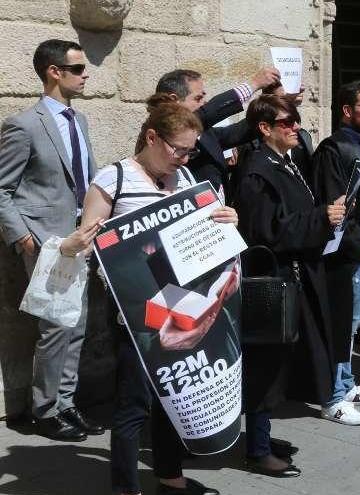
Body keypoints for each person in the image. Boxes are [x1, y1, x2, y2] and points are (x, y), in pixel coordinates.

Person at [56, 95, 238, 495]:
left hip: (188, 305)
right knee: (134, 405)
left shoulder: (187, 181)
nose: (185, 160)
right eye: (179, 150)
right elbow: (89, 243)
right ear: (152, 137)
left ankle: (169, 477)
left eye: (191, 152)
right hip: (138, 316)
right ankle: (125, 487)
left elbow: (208, 236)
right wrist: (72, 245)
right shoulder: (114, 179)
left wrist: (228, 219)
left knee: (175, 398)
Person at [0, 39, 103, 441]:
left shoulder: (80, 122)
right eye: (77, 69)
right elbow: (3, 189)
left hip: (83, 236)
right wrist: (24, 238)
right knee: (55, 326)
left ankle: (66, 404)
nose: (85, 75)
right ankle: (45, 410)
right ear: (54, 72)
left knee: (75, 326)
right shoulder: (24, 125)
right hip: (47, 242)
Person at [234, 95, 342, 475]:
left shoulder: (287, 163)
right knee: (265, 364)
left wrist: (325, 217)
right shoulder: (257, 172)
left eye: (296, 121)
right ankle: (257, 447)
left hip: (298, 273)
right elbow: (265, 232)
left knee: (282, 363)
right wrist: (321, 217)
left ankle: (259, 437)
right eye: (287, 122)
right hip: (275, 281)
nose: (296, 127)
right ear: (264, 129)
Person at [312, 80, 360, 425]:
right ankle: (334, 396)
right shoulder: (335, 149)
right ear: (346, 111)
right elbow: (336, 203)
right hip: (352, 252)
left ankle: (346, 382)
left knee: (354, 324)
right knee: (343, 324)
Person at [152, 66, 280, 194]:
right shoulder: (162, 132)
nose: (204, 103)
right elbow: (209, 112)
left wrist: (274, 102)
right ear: (174, 101)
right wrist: (254, 84)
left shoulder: (205, 132)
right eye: (198, 98)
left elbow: (240, 132)